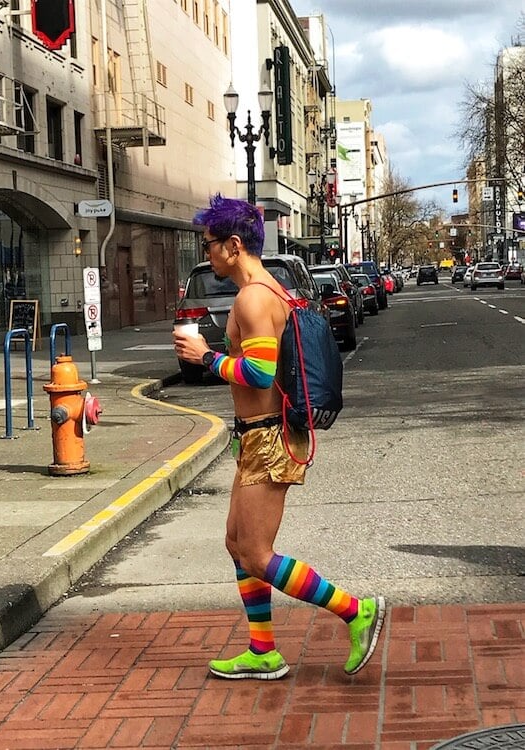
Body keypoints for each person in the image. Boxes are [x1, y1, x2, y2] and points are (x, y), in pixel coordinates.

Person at [173, 194, 385, 680]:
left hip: (270, 440)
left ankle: (355, 611)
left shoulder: (253, 298)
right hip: (259, 437)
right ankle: (263, 649)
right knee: (236, 543)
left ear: (232, 245)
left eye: (209, 246)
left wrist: (204, 356)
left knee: (257, 554)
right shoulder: (272, 290)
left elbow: (260, 373)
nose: (206, 254)